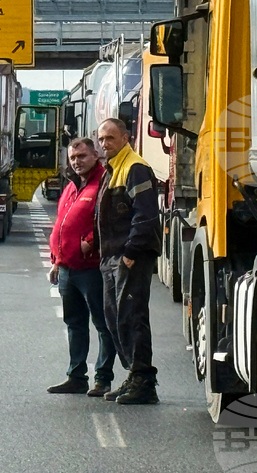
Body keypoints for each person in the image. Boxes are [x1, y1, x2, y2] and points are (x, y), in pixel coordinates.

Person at [95, 118, 162, 405]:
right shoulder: (111, 170)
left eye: (110, 138)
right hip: (112, 257)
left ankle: (144, 381)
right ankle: (133, 374)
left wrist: (131, 254)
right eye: (101, 139)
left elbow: (145, 216)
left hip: (129, 257)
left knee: (132, 317)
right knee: (115, 318)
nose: (104, 143)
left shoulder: (135, 167)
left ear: (125, 138)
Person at [46, 137, 117, 396]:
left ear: (95, 155)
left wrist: (91, 241)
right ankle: (76, 377)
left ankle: (103, 378)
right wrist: (56, 261)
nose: (77, 162)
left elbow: (110, 221)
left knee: (103, 324)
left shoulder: (103, 183)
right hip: (67, 269)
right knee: (75, 324)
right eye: (73, 158)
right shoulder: (72, 186)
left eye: (82, 156)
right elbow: (61, 225)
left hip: (92, 269)